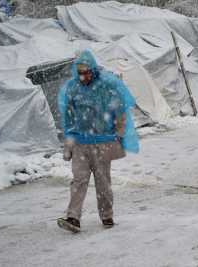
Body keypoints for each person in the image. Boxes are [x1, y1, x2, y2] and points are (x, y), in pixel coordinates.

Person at [57, 50, 139, 233]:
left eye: (86, 72)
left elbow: (120, 112)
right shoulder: (73, 88)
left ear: (92, 70)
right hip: (80, 143)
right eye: (80, 73)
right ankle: (73, 218)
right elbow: (69, 118)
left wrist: (118, 134)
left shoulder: (106, 86)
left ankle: (107, 215)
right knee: (79, 180)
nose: (83, 76)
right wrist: (68, 142)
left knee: (103, 182)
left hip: (102, 143)